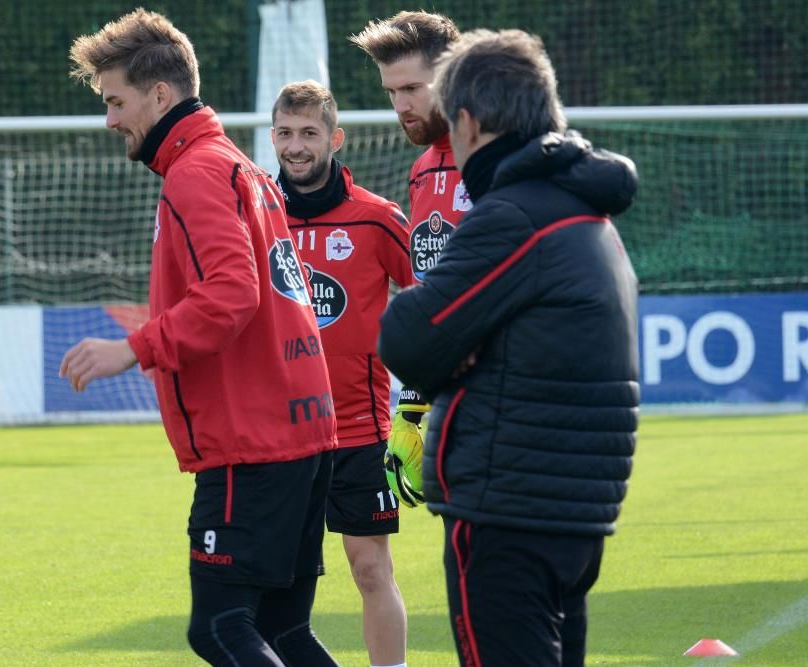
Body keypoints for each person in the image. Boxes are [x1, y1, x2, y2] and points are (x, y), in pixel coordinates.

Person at [61, 10, 339, 666]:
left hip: (254, 444)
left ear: (160, 96)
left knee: (218, 627)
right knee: (284, 630)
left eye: (116, 101)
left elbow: (232, 293)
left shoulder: (195, 172)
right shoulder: (233, 162)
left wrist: (133, 346)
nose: (109, 119)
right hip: (299, 434)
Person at [378, 29, 640, 667]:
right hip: (573, 508)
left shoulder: (515, 215)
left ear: (465, 121)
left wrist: (459, 346)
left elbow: (406, 337)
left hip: (506, 508)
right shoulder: (586, 210)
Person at [271, 80, 415, 667]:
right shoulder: (255, 218)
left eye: (309, 134)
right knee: (274, 584)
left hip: (358, 429)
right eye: (285, 133)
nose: (296, 146)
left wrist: (425, 397)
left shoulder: (377, 221)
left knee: (369, 568)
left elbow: (436, 300)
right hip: (278, 436)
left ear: (335, 137)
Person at [350, 11, 467, 506]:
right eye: (392, 93)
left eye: (413, 89)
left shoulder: (495, 156)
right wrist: (413, 403)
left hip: (501, 398)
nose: (401, 105)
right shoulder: (423, 168)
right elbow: (428, 290)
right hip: (447, 397)